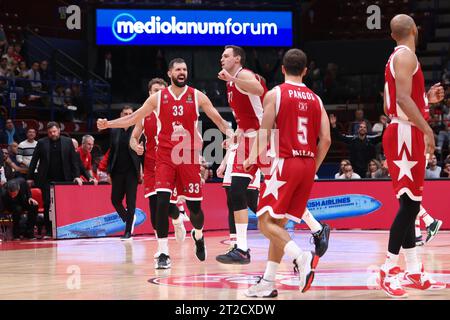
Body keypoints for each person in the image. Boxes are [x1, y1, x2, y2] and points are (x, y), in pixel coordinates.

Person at [97, 58, 232, 269]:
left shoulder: (197, 96)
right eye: (178, 69)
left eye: (185, 69)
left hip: (187, 156)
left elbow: (218, 120)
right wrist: (109, 124)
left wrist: (231, 134)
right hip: (165, 156)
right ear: (170, 73)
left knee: (195, 208)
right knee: (161, 202)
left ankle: (197, 233)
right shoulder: (158, 98)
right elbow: (134, 118)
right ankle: (162, 252)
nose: (182, 72)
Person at [243, 48, 331, 297]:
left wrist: (251, 157)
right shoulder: (316, 99)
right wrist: (312, 166)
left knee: (264, 222)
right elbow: (325, 140)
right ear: (305, 71)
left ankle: (301, 257)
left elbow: (265, 131)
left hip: (284, 162)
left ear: (282, 68)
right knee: (279, 225)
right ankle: (268, 282)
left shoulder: (275, 94)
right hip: (307, 164)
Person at [379, 14, 446, 298]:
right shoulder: (405, 56)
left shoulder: (397, 57)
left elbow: (390, 103)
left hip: (402, 130)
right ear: (415, 30)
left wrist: (425, 100)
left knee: (409, 204)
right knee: (409, 207)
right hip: (406, 134)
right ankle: (388, 268)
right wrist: (427, 128)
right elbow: (401, 100)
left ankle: (414, 271)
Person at [214, 45, 268, 264]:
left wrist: (233, 79)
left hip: (262, 137)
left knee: (249, 194)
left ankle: (316, 228)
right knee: (237, 192)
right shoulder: (231, 82)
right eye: (222, 56)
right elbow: (242, 120)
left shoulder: (242, 75)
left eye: (226, 56)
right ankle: (242, 248)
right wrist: (234, 138)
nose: (221, 59)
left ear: (237, 59)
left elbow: (258, 89)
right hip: (247, 138)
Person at [129, 78, 187, 248]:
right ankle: (163, 249)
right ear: (150, 93)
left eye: (162, 91)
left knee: (167, 206)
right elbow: (133, 137)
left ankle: (177, 218)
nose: (159, 94)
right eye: (155, 91)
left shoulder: (176, 112)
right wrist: (136, 146)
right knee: (155, 210)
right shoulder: (144, 113)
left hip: (170, 164)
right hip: (150, 166)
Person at [27, 122, 82, 238]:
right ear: (47, 132)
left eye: (54, 131)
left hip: (64, 178)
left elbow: (74, 161)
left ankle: (65, 229)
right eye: (50, 132)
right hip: (46, 179)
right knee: (47, 204)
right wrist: (30, 177)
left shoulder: (67, 142)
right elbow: (34, 160)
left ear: (59, 130)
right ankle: (48, 231)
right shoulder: (42, 143)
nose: (53, 134)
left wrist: (77, 175)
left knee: (64, 204)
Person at [106, 106, 141, 240]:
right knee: (115, 200)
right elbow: (112, 152)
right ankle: (128, 219)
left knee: (131, 202)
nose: (127, 115)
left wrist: (141, 170)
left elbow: (141, 152)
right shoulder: (115, 131)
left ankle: (127, 232)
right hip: (117, 171)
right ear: (121, 115)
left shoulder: (138, 130)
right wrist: (109, 171)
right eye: (125, 113)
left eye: (130, 114)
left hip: (132, 171)